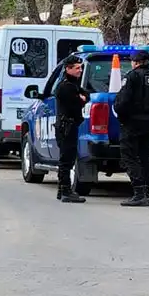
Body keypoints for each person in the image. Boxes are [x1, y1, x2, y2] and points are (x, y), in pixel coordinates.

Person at [114, 49, 149, 207]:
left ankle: (139, 193)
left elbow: (123, 101)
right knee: (146, 157)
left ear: (135, 62)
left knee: (129, 156)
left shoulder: (132, 76)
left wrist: (121, 113)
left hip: (131, 122)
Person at [54, 55, 90, 203]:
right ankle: (66, 191)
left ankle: (62, 189)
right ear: (68, 69)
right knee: (66, 160)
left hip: (69, 125)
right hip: (66, 126)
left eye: (80, 67)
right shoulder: (66, 86)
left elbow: (85, 94)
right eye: (77, 68)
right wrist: (80, 99)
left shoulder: (72, 84)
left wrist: (83, 97)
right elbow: (76, 104)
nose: (80, 70)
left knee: (67, 158)